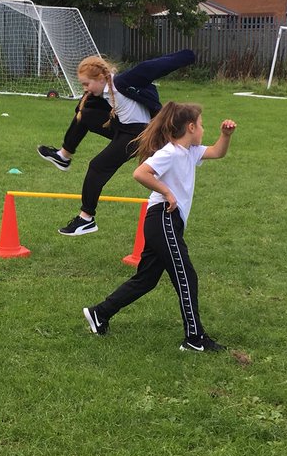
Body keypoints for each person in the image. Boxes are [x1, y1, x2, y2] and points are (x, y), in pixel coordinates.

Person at [81, 102, 236, 353]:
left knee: (146, 279)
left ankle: (100, 313)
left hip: (164, 222)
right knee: (186, 275)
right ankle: (194, 338)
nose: (203, 130)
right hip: (164, 218)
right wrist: (167, 192)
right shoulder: (171, 152)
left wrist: (225, 136)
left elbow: (218, 152)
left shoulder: (190, 151)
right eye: (202, 125)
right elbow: (141, 173)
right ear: (190, 127)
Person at [37, 49, 196, 235]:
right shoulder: (102, 92)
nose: (85, 88)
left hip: (138, 135)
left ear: (100, 78)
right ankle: (64, 156)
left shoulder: (123, 82)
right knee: (85, 114)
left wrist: (188, 56)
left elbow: (155, 65)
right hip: (122, 127)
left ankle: (86, 218)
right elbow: (86, 107)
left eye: (86, 84)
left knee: (97, 166)